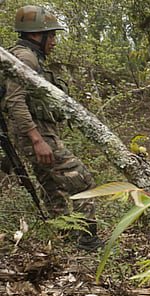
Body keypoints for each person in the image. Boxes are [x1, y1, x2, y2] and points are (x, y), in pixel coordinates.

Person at [3, 5, 102, 251]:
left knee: (52, 186)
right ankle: (88, 241)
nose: (55, 41)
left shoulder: (26, 55)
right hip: (36, 134)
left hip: (36, 133)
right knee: (82, 181)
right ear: (37, 35)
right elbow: (15, 101)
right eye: (52, 35)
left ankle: (66, 239)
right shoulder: (25, 58)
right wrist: (37, 139)